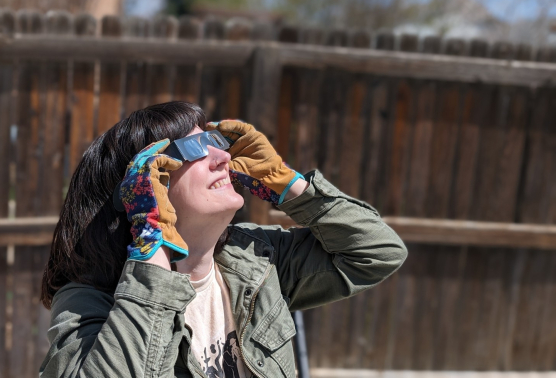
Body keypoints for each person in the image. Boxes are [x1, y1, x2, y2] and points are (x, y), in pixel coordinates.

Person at [39, 101, 407, 378]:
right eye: (195, 148)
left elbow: (377, 253)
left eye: (215, 142)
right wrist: (152, 239)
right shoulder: (88, 302)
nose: (223, 156)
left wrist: (286, 182)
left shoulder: (256, 260)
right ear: (140, 186)